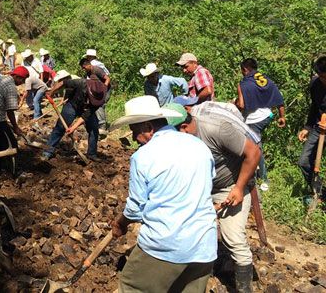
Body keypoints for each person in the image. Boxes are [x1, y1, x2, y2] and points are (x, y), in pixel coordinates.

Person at [110, 96, 217, 293]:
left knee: (133, 288)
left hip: (165, 245)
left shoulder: (143, 156)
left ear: (149, 127)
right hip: (204, 246)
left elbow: (135, 209)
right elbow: (208, 185)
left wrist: (120, 223)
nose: (133, 138)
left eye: (135, 132)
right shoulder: (199, 146)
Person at [176, 101, 261, 292]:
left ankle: (244, 288)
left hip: (229, 187)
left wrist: (239, 188)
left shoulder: (216, 129)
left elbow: (254, 153)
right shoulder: (182, 137)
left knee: (234, 239)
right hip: (201, 187)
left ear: (184, 127)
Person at [235, 58, 286, 188]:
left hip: (254, 120)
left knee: (255, 148)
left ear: (245, 70)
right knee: (255, 144)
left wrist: (234, 102)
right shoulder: (265, 79)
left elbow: (241, 105)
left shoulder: (243, 84)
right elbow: (278, 97)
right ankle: (254, 173)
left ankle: (263, 179)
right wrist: (282, 117)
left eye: (242, 71)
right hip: (267, 116)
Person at [41, 70, 105, 162]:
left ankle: (92, 154)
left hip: (87, 110)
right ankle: (48, 151)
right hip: (73, 105)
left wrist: (73, 127)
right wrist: (51, 92)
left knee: (94, 128)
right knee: (60, 127)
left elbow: (86, 115)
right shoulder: (80, 82)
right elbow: (63, 82)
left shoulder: (101, 98)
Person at [298, 55, 326, 200]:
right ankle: (320, 193)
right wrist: (307, 127)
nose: (324, 81)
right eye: (322, 77)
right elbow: (314, 106)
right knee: (303, 161)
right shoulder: (315, 84)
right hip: (318, 127)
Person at [83, 49, 111, 134]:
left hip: (102, 89)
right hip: (99, 88)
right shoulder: (98, 65)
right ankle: (96, 124)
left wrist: (104, 88)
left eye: (88, 57)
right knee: (95, 105)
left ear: (90, 57)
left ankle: (102, 126)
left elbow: (107, 78)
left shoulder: (95, 66)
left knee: (99, 105)